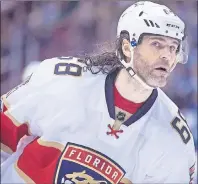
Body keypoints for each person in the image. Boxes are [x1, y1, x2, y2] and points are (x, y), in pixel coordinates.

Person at [1, 1, 196, 183]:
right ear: (127, 47)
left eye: (173, 47)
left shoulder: (173, 139)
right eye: (157, 44)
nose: (167, 56)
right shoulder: (64, 81)